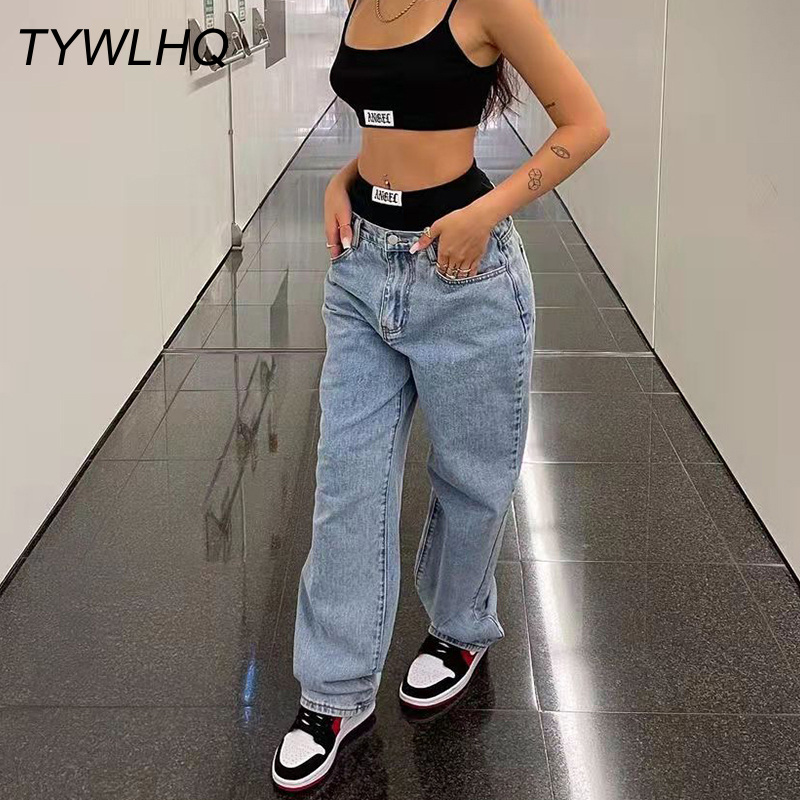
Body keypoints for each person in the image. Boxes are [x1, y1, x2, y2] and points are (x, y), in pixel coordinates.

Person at [272, 0, 609, 790]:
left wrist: (484, 213)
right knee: (346, 482)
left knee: (469, 477)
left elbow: (585, 124)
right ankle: (334, 691)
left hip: (464, 279)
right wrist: (345, 178)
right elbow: (387, 120)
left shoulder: (489, 3)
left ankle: (460, 628)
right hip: (361, 270)